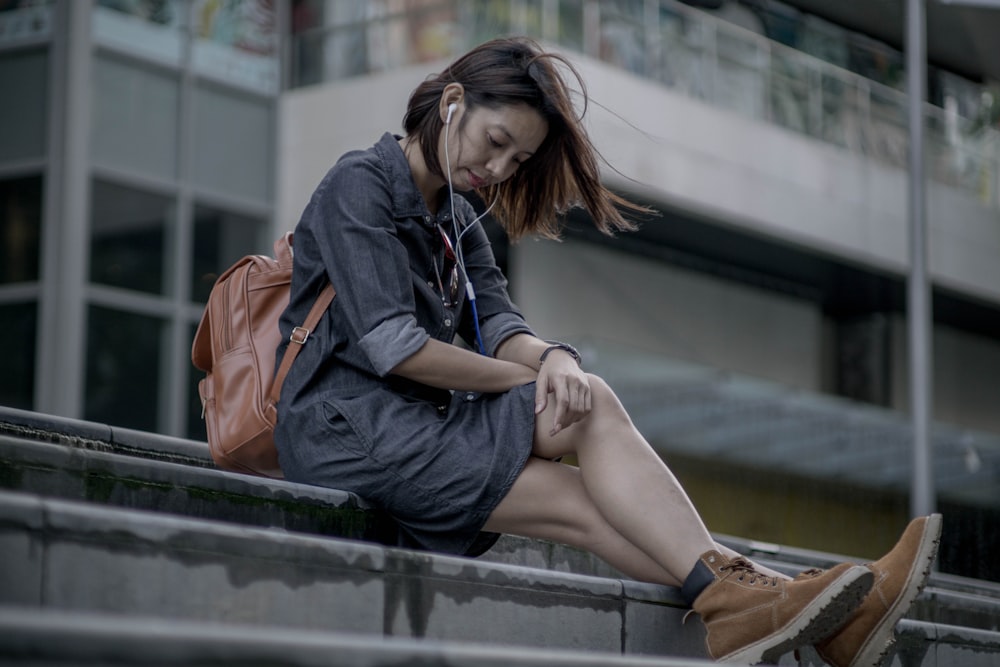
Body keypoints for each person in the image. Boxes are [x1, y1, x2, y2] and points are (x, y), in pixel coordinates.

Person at [274, 37, 942, 665]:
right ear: (452, 105)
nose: (499, 168)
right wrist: (521, 378)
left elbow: (502, 320)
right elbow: (397, 347)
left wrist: (557, 360)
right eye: (496, 141)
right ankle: (799, 609)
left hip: (414, 428)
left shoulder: (456, 210)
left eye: (518, 161)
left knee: (586, 457)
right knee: (583, 452)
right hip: (343, 432)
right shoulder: (358, 184)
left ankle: (783, 612)